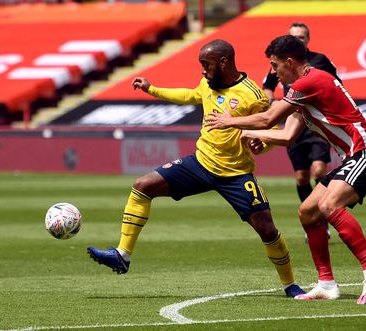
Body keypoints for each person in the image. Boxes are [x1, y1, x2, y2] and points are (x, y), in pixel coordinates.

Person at [86, 39, 306, 298]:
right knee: (143, 186)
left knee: (267, 229)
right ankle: (122, 255)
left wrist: (262, 144)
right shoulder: (207, 84)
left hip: (236, 173)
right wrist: (152, 89)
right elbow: (190, 95)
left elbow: (269, 129)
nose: (203, 71)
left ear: (223, 62)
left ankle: (290, 284)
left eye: (206, 65)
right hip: (200, 163)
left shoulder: (252, 95)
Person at [206, 35, 366, 304]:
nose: (272, 71)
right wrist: (259, 137)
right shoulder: (303, 88)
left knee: (329, 206)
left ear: (289, 62)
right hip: (354, 156)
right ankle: (326, 284)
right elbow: (288, 135)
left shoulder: (311, 81)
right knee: (307, 212)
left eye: (275, 65)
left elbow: (269, 118)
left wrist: (230, 121)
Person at [263, 22, 339, 203]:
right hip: (294, 122)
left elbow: (337, 86)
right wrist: (272, 103)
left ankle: (323, 209)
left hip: (315, 123)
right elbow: (268, 88)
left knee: (319, 170)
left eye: (301, 37)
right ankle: (315, 219)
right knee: (301, 177)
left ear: (308, 39)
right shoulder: (281, 63)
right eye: (293, 37)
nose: (297, 40)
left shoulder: (320, 60)